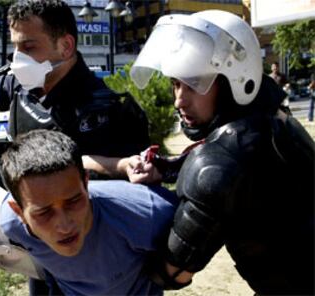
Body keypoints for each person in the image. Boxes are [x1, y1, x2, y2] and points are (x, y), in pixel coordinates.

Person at [125, 10, 314, 295]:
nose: (179, 100)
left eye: (194, 83)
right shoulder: (271, 118)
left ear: (233, 81)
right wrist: (168, 169)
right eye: (176, 83)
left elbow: (172, 272)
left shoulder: (217, 164)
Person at [0, 0, 149, 178]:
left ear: (65, 46)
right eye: (15, 48)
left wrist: (120, 166)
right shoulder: (21, 84)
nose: (18, 59)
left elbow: (108, 172)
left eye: (29, 47)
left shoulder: (105, 109)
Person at [0, 129, 180, 295]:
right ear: (19, 212)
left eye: (73, 201)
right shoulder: (9, 225)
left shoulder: (148, 214)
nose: (64, 225)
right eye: (44, 213)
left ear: (86, 184)